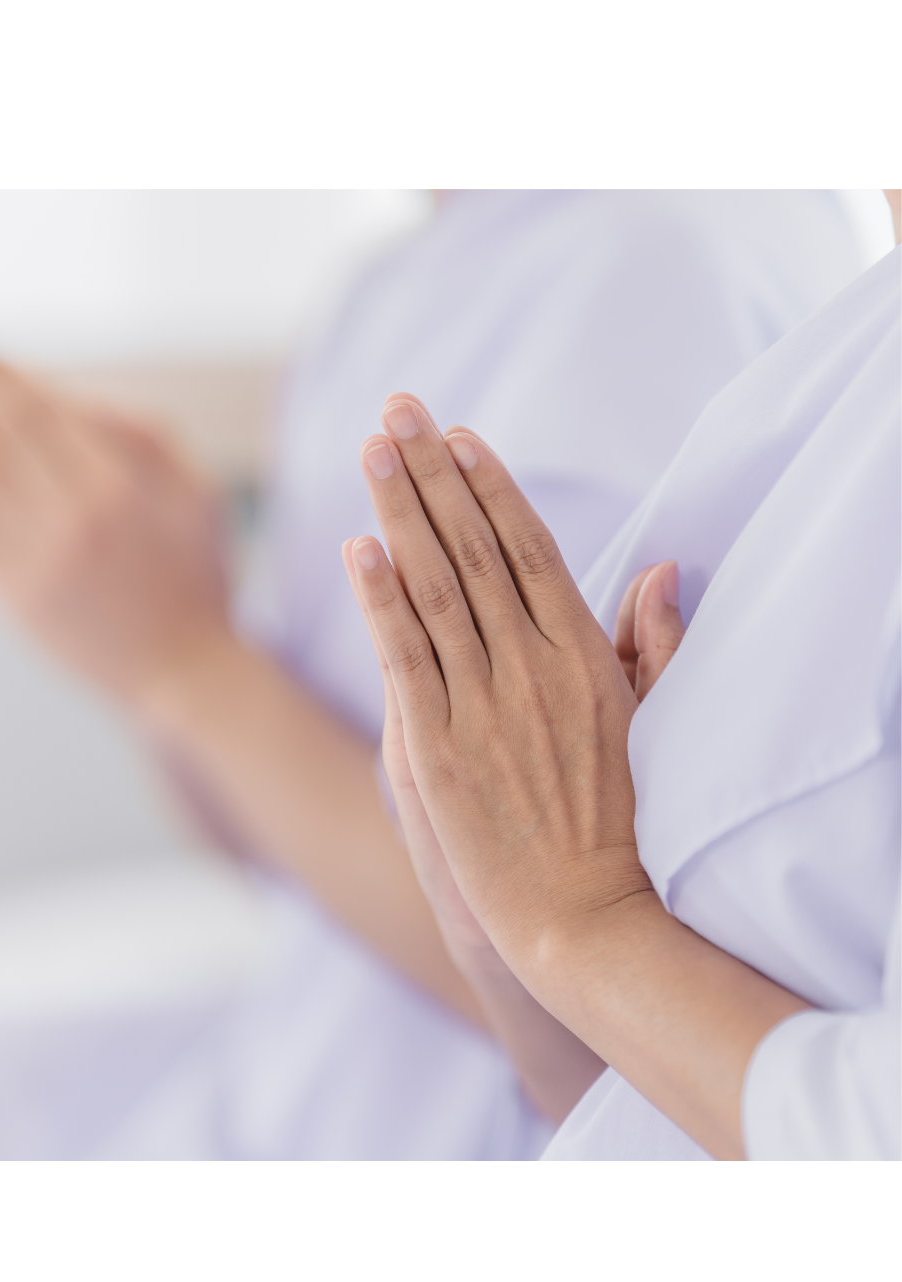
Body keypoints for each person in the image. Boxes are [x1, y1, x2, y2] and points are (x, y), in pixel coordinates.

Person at [0, 191, 861, 1159]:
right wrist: (157, 636)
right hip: (287, 1092)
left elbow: (579, 960)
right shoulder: (385, 286)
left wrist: (189, 666)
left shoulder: (658, 266)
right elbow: (288, 863)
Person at [343, 191, 902, 1160]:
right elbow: (617, 1096)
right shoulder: (849, 356)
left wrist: (579, 921)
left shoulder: (668, 262)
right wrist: (501, 922)